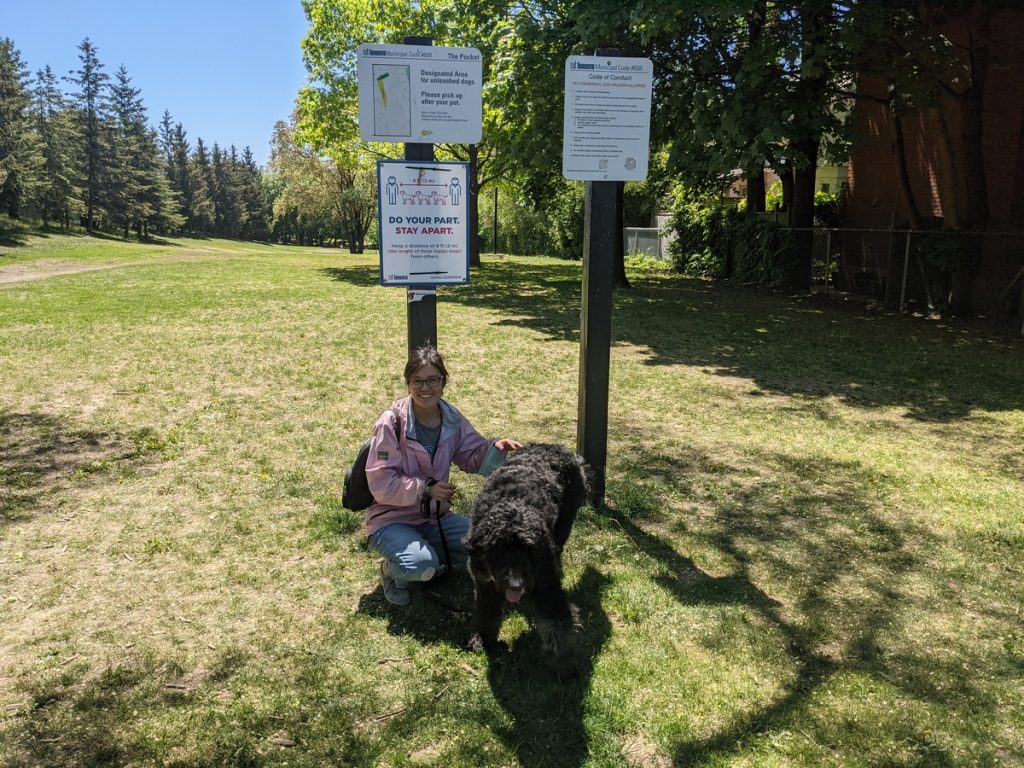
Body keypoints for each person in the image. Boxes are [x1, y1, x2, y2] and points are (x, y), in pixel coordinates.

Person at [364, 346, 522, 605]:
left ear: (443, 382)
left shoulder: (451, 418)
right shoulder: (391, 423)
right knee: (422, 567)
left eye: (432, 380)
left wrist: (495, 448)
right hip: (390, 520)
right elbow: (380, 483)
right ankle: (390, 571)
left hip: (435, 517)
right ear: (408, 383)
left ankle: (425, 551)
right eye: (417, 381)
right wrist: (425, 488)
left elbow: (471, 455)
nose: (425, 388)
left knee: (487, 546)